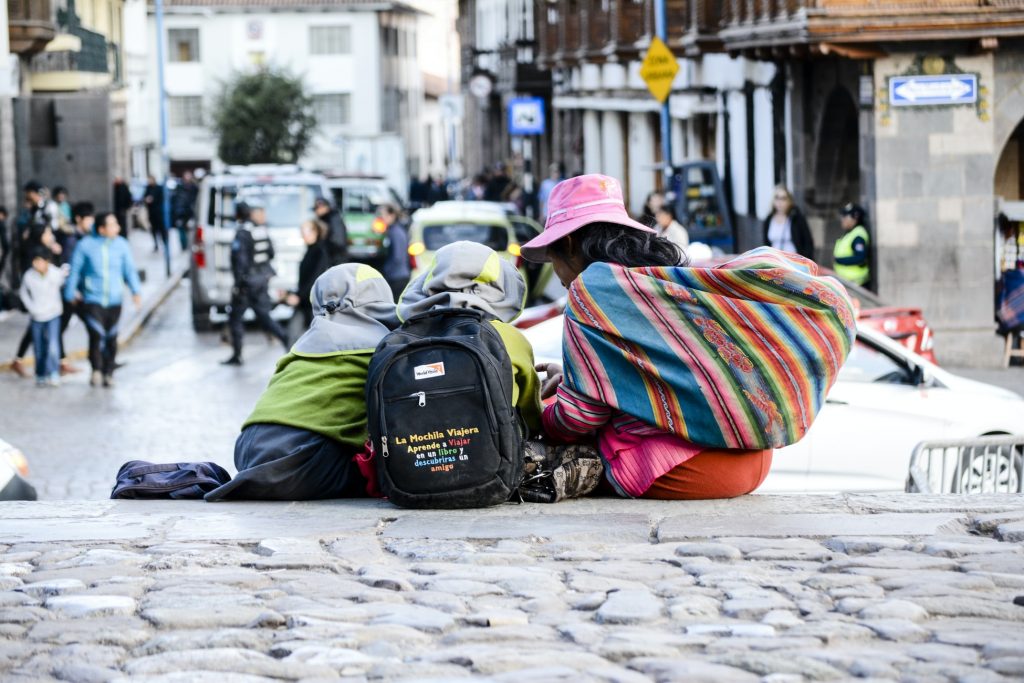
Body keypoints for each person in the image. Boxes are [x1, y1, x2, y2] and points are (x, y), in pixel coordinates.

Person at [519, 174, 856, 501]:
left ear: (567, 244)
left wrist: (541, 409)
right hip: (753, 460)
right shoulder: (662, 280)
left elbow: (580, 418)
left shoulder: (589, 291)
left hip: (680, 470)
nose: (558, 274)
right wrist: (574, 378)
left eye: (552, 259)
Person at [205, 264, 399, 501]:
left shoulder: (303, 347)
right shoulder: (380, 350)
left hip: (247, 449)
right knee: (386, 474)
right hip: (300, 459)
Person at [396, 240, 543, 436]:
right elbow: (530, 415)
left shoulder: (400, 339)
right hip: (495, 461)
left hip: (411, 459)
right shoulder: (510, 339)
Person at [63, 212, 142, 388]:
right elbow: (75, 270)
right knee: (96, 335)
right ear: (102, 229)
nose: (117, 228)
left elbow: (129, 270)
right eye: (113, 224)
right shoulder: (85, 245)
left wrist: (136, 291)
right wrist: (70, 294)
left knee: (112, 337)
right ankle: (96, 369)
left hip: (115, 300)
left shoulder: (121, 245)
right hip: (92, 299)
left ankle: (109, 372)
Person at [222, 201, 290, 366]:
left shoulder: (243, 232)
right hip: (261, 280)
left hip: (247, 283)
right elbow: (271, 253)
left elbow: (240, 261)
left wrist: (239, 285)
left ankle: (237, 355)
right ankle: (288, 341)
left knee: (236, 318)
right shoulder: (261, 230)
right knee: (264, 317)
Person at [9, 182, 62, 377]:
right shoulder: (28, 220)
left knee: (48, 327)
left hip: (49, 304)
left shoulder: (41, 214)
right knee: (39, 327)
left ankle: (55, 363)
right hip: (40, 302)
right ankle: (32, 363)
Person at [19, 248, 66, 387]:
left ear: (47, 262)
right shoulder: (29, 276)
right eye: (35, 261)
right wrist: (31, 308)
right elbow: (24, 293)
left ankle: (53, 372)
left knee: (52, 345)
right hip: (36, 316)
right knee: (38, 347)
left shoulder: (55, 274)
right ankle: (40, 373)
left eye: (40, 261)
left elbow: (64, 281)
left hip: (53, 315)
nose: (38, 264)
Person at [285, 219, 332, 329]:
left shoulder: (320, 252)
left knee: (310, 334)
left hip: (313, 303)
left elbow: (314, 278)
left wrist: (299, 296)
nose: (302, 236)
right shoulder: (310, 250)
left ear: (315, 232)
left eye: (304, 232)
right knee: (294, 335)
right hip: (304, 300)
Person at [762, 185, 814, 260]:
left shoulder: (796, 218)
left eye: (783, 198)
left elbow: (808, 242)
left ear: (789, 201)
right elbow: (766, 244)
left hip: (794, 262)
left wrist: (805, 261)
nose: (780, 202)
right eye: (777, 198)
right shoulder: (769, 219)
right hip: (775, 262)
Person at [833, 202, 871, 288]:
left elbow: (860, 258)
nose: (842, 219)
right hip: (849, 283)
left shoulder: (858, 235)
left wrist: (839, 261)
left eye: (845, 216)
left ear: (855, 218)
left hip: (856, 284)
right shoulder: (850, 233)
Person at [378, 203, 410, 300]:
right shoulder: (393, 231)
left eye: (383, 215)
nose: (382, 218)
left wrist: (386, 270)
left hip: (397, 277)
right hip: (397, 275)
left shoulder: (396, 232)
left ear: (392, 215)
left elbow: (398, 256)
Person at [312, 197, 348, 266]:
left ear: (325, 207)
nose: (316, 212)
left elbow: (338, 241)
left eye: (317, 208)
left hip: (336, 259)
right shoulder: (326, 219)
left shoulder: (333, 219)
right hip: (333, 258)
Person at [171, 170, 199, 251]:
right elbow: (175, 199)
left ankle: (188, 245)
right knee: (181, 230)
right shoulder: (179, 187)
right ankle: (184, 246)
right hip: (180, 212)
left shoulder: (194, 187)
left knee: (189, 230)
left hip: (189, 212)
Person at [143, 175, 167, 254]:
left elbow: (162, 198)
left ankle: (165, 243)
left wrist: (153, 199)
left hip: (159, 213)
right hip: (151, 212)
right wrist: (146, 199)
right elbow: (144, 197)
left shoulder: (159, 188)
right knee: (153, 230)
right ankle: (156, 244)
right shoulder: (148, 188)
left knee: (162, 230)